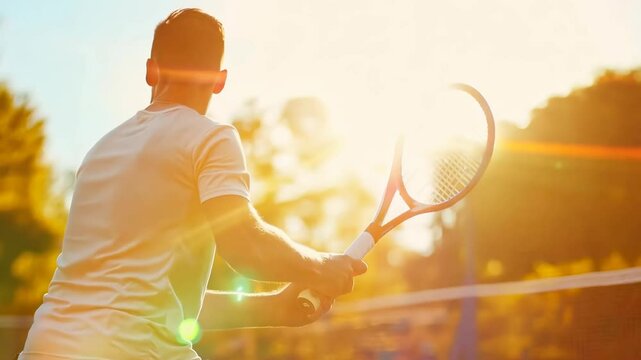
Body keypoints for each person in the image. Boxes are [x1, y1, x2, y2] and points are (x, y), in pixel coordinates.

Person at [19, 8, 366, 360]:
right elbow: (244, 245)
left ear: (150, 71)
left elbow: (153, 303)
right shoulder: (211, 138)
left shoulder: (98, 153)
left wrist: (273, 308)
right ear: (220, 80)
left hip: (46, 347)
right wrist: (320, 265)